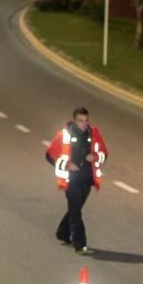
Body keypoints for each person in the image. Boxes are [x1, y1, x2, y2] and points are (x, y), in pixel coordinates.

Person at [45, 107, 108, 255]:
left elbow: (104, 152)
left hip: (87, 178)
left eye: (86, 121)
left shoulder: (94, 134)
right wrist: (67, 165)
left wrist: (96, 156)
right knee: (76, 211)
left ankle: (62, 232)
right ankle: (80, 244)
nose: (83, 124)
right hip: (71, 179)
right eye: (80, 121)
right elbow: (49, 155)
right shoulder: (64, 135)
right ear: (74, 120)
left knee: (76, 209)